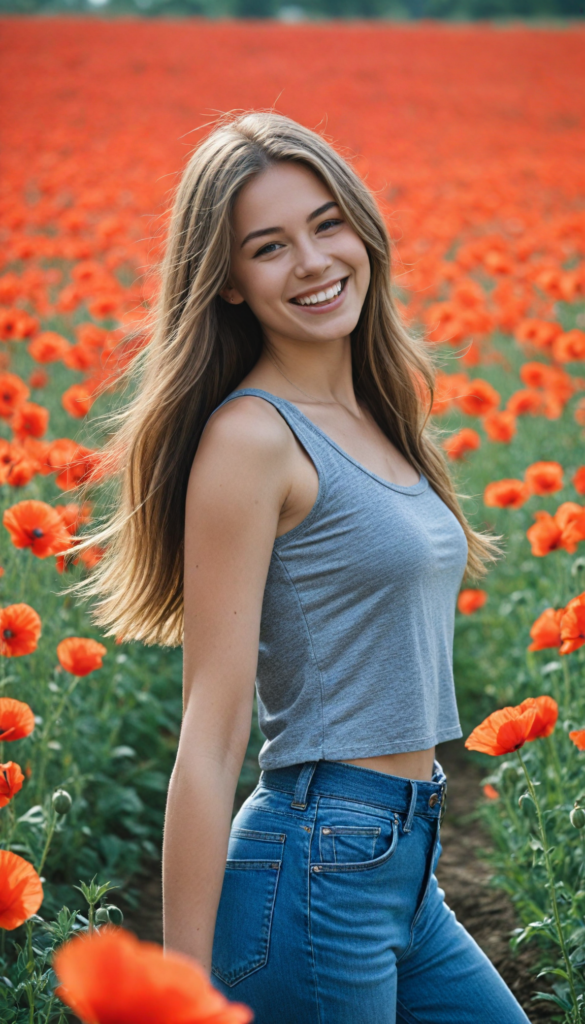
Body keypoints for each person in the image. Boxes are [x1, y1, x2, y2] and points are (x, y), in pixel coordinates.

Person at [79, 111, 530, 1023]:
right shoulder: (250, 438)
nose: (315, 262)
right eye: (269, 247)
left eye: (327, 223)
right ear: (231, 282)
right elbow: (210, 734)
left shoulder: (377, 408)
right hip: (319, 857)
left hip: (405, 863)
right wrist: (180, 991)